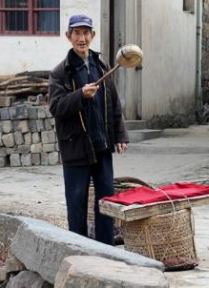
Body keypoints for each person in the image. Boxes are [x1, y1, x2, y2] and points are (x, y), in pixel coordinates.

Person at [48, 14, 128, 245]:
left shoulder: (101, 65)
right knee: (76, 201)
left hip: (101, 145)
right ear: (68, 37)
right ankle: (78, 246)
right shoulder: (60, 72)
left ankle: (105, 247)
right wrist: (80, 95)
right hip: (75, 147)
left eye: (86, 33)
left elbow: (114, 104)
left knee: (105, 200)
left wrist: (120, 135)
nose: (81, 38)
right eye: (77, 33)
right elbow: (56, 107)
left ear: (92, 36)